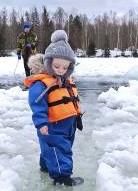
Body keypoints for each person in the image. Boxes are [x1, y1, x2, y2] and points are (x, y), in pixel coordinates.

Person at [24, 30, 84, 186]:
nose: (60, 70)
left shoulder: (65, 80)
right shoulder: (42, 83)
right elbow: (37, 104)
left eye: (65, 68)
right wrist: (41, 122)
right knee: (59, 150)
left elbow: (72, 100)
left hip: (68, 125)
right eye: (57, 66)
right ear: (48, 62)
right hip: (52, 126)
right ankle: (61, 177)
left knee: (52, 148)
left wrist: (77, 117)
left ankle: (45, 166)